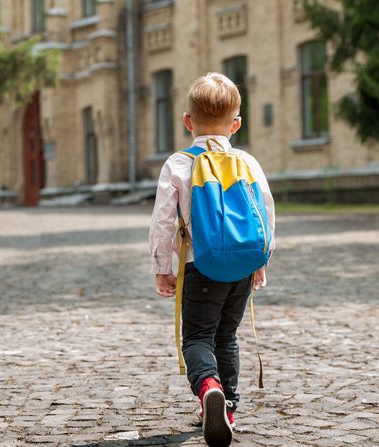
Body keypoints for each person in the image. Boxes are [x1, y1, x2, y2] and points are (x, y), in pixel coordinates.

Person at [148, 72, 276, 446]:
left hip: (199, 266)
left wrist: (162, 268)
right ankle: (228, 407)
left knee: (198, 336)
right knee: (227, 337)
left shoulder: (178, 164)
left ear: (188, 122)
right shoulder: (247, 162)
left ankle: (208, 389)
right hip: (241, 267)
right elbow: (265, 213)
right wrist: (261, 261)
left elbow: (162, 221)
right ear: (236, 124)